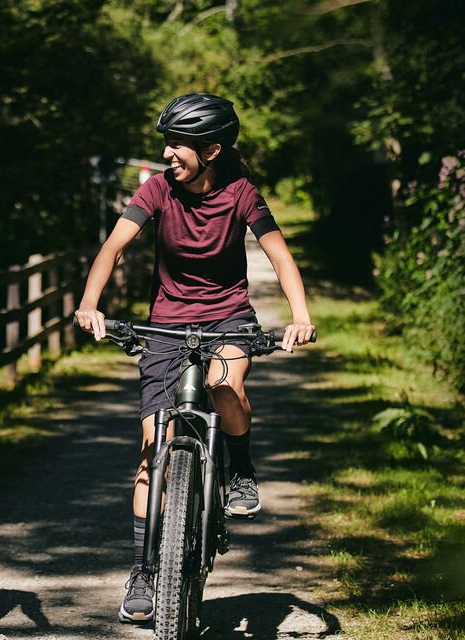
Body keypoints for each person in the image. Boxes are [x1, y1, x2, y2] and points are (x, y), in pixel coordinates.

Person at [73, 92, 316, 623]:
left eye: (177, 144)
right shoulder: (158, 190)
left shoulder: (241, 193)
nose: (166, 154)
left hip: (228, 316)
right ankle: (142, 569)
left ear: (211, 149)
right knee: (150, 444)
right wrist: (89, 305)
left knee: (225, 385)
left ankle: (242, 469)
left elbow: (279, 256)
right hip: (166, 322)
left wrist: (299, 315)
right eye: (166, 142)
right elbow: (113, 248)